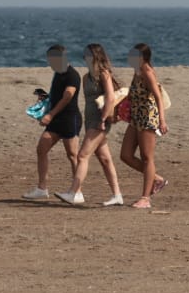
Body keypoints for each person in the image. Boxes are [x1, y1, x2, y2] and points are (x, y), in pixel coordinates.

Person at [57, 44, 125, 207]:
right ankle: (117, 195)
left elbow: (109, 97)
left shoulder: (104, 74)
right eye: (84, 55)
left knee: (82, 156)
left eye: (87, 55)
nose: (84, 58)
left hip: (99, 122)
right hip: (90, 121)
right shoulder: (86, 77)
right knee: (105, 159)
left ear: (95, 56)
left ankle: (74, 193)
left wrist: (103, 119)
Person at [24, 44, 82, 199]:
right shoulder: (58, 73)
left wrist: (50, 114)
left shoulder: (72, 75)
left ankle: (77, 191)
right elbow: (58, 95)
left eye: (52, 59)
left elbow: (68, 96)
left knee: (72, 155)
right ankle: (42, 188)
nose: (49, 62)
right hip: (56, 119)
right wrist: (46, 98)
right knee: (41, 148)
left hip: (70, 118)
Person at [118, 43, 169, 209]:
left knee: (147, 158)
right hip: (136, 117)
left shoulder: (147, 71)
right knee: (125, 155)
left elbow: (158, 96)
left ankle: (145, 198)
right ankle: (157, 178)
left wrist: (162, 120)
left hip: (148, 118)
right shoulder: (137, 70)